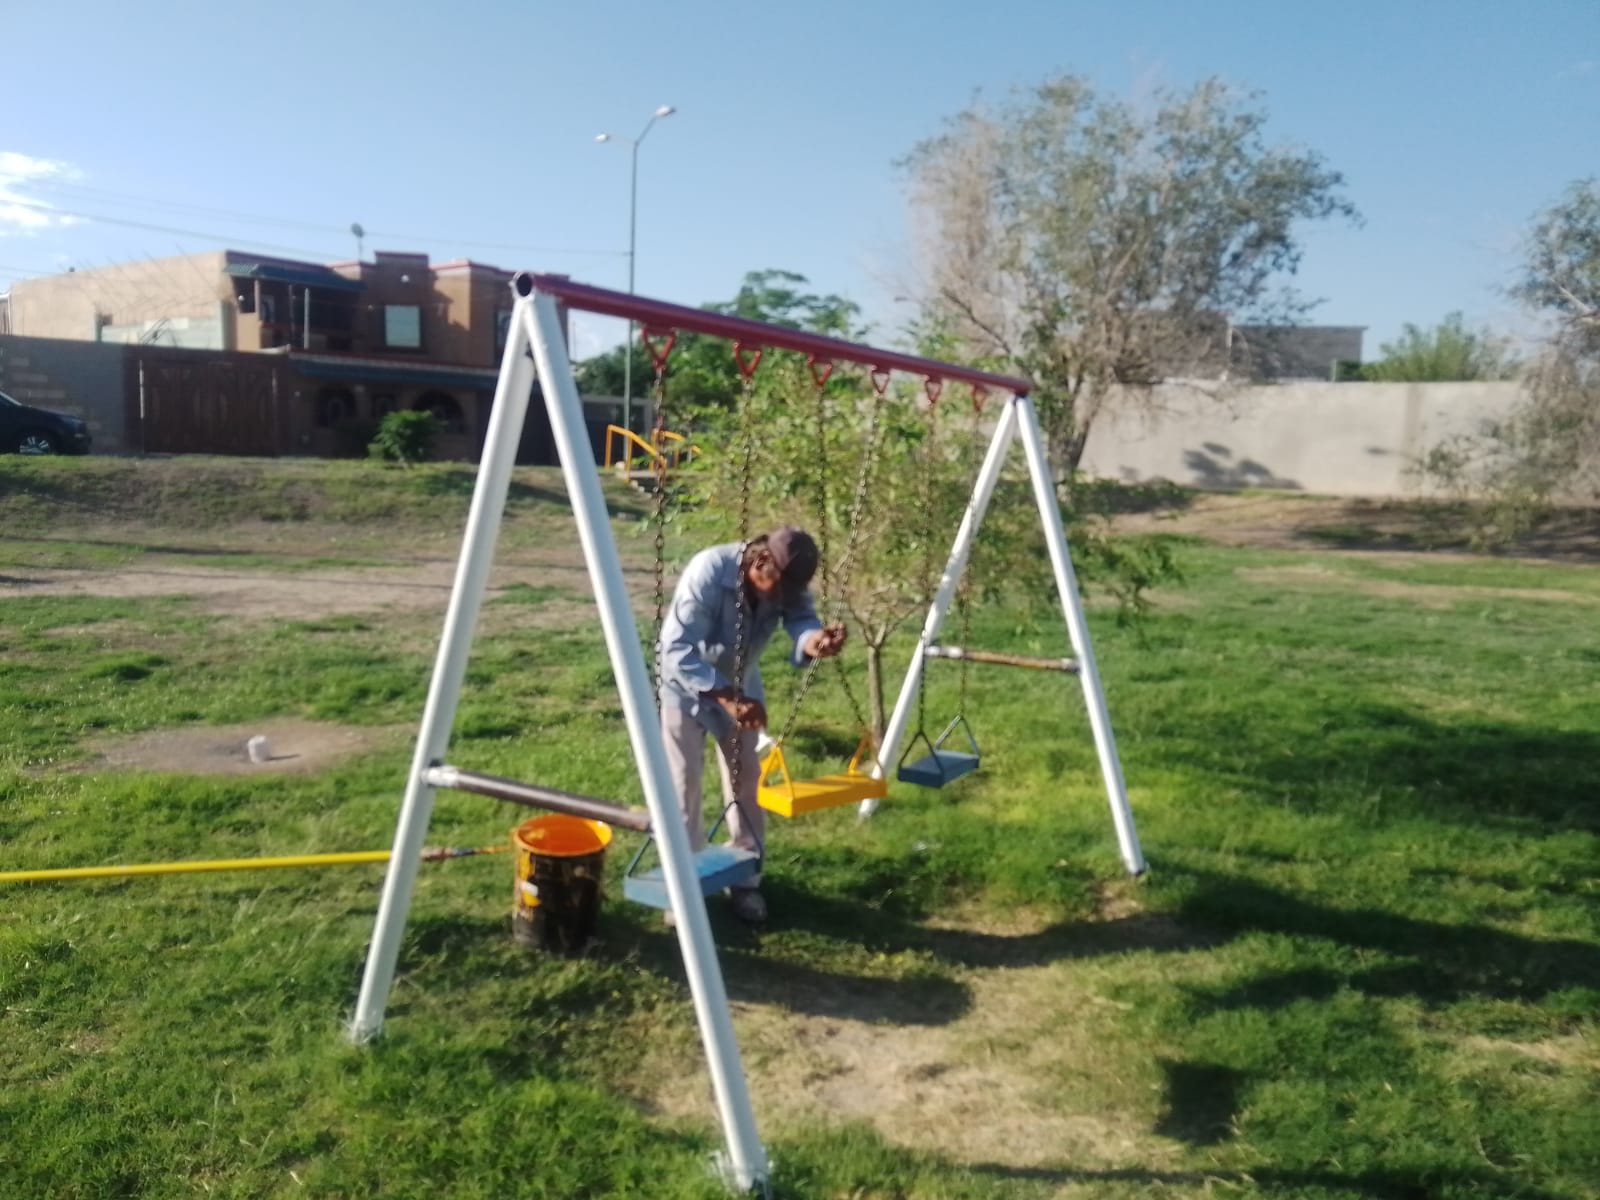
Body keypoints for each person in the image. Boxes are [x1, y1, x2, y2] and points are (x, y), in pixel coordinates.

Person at [656, 525, 848, 925]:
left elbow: (801, 618)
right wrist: (727, 697)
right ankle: (681, 886)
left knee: (747, 781)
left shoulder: (787, 581)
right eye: (775, 589)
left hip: (742, 682)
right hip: (686, 686)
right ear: (760, 561)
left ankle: (746, 880)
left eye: (787, 594)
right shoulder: (709, 571)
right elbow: (676, 649)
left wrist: (814, 640)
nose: (779, 600)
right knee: (683, 784)